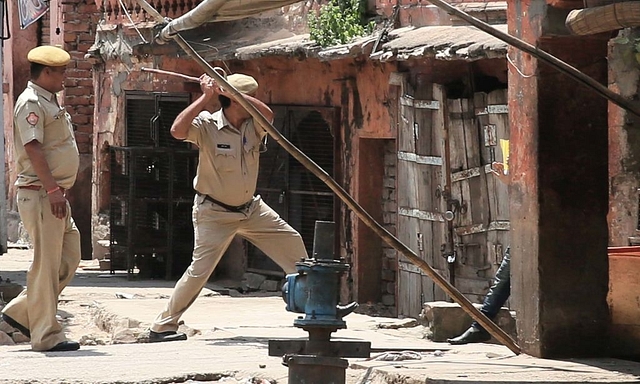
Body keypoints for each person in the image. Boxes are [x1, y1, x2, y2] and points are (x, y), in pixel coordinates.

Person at [148, 72, 309, 342]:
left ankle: (315, 307)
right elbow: (177, 131)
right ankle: (162, 326)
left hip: (251, 209)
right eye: (247, 97)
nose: (251, 102)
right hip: (214, 212)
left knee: (295, 247)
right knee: (199, 271)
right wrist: (206, 97)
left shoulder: (253, 124)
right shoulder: (207, 125)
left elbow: (268, 115)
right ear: (231, 101)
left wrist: (234, 93)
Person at [2, 46, 81, 352]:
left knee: (69, 256)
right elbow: (33, 148)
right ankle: (46, 335)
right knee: (46, 265)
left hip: (54, 194)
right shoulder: (32, 102)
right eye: (60, 71)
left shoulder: (50, 102)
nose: (64, 77)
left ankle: (19, 313)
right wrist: (51, 190)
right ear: (46, 73)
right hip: (42, 194)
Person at [448, 161, 510, 345]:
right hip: (526, 230)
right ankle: (480, 326)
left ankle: (480, 326)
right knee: (504, 279)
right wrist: (509, 180)